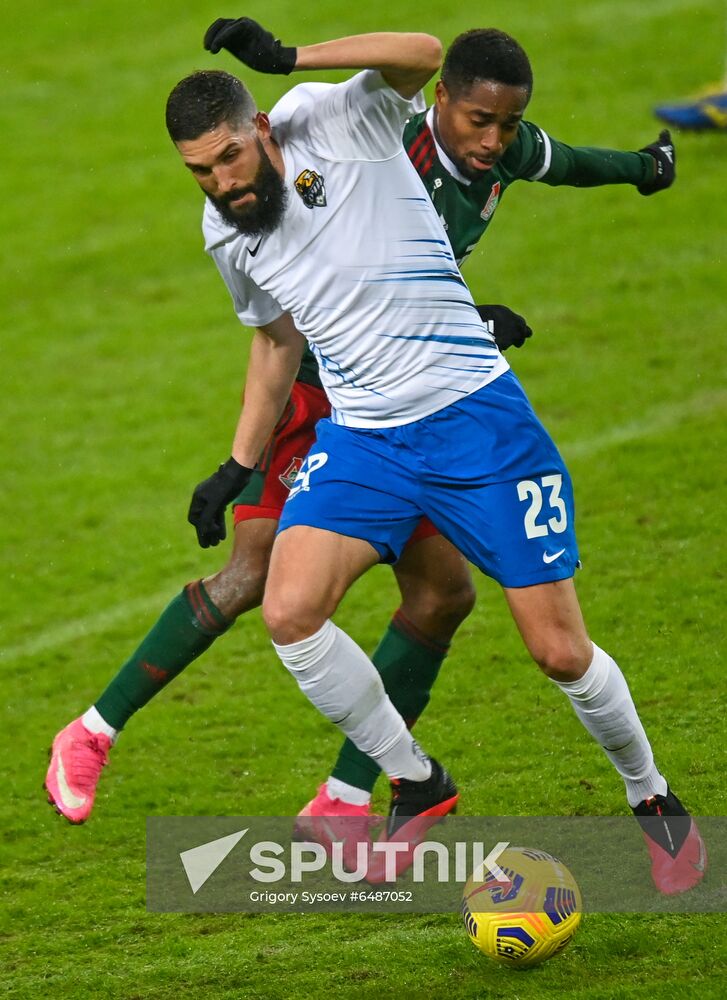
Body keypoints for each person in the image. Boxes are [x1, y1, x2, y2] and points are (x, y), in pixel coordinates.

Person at [44, 25, 700, 894]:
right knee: (288, 608)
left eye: (232, 158)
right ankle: (415, 780)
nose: (223, 183)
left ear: (263, 129)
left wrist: (288, 59)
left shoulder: (332, 119)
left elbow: (423, 53)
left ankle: (652, 799)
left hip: (477, 425)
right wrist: (236, 466)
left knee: (557, 651)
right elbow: (276, 340)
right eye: (200, 170)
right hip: (364, 440)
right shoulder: (225, 230)